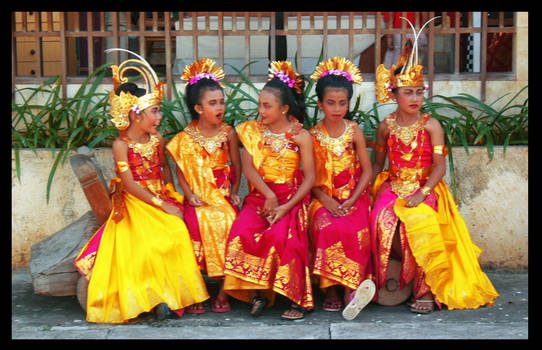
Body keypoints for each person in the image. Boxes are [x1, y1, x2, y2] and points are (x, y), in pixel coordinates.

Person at [371, 18, 499, 314]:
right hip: (393, 185)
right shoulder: (385, 127)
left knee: (422, 226)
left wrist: (423, 192)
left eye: (419, 91)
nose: (415, 98)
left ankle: (426, 290)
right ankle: (382, 281)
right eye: (408, 92)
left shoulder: (432, 126)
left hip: (426, 186)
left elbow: (439, 168)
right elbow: (378, 165)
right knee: (379, 219)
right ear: (394, 94)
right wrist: (364, 191)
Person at [74, 50, 209, 323]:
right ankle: (154, 297)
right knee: (153, 240)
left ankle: (171, 297)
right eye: (155, 111)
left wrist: (174, 195)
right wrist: (163, 205)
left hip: (160, 193)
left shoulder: (156, 139)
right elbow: (130, 183)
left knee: (181, 230)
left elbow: (165, 169)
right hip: (136, 200)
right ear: (136, 115)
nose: (159, 116)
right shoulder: (120, 145)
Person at [223, 61, 315, 320]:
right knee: (242, 231)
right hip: (260, 198)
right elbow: (249, 169)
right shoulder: (254, 131)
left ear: (284, 109)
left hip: (292, 199)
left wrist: (285, 205)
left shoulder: (300, 136)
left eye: (267, 106)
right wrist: (269, 196)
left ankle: (294, 298)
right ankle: (257, 293)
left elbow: (310, 178)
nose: (260, 110)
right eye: (260, 104)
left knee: (283, 237)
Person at [166, 58, 241, 314]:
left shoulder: (228, 132)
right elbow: (182, 172)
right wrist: (189, 195)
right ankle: (195, 290)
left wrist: (234, 191)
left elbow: (237, 166)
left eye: (221, 102)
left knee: (231, 221)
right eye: (212, 103)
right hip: (198, 196)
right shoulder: (185, 138)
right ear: (198, 108)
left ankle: (223, 291)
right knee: (192, 225)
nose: (219, 107)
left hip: (222, 195)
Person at [308, 57, 376, 320]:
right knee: (325, 227)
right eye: (331, 103)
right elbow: (310, 177)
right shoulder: (313, 136)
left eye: (343, 103)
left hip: (353, 197)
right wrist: (326, 201)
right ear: (320, 104)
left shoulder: (354, 131)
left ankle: (352, 289)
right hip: (323, 199)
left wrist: (352, 200)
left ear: (349, 102)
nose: (337, 108)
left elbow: (367, 171)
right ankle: (331, 291)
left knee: (355, 229)